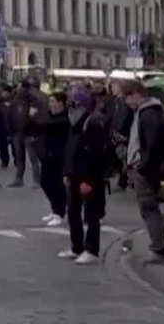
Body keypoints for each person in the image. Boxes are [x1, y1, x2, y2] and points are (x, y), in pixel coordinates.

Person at [122, 79, 164, 264]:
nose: (127, 102)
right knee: (150, 208)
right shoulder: (148, 112)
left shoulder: (148, 114)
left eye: (128, 96)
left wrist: (141, 167)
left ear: (137, 93)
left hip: (145, 169)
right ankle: (159, 246)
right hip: (146, 166)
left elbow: (151, 145)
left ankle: (159, 249)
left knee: (149, 208)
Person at [61, 87, 113, 264]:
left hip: (88, 175)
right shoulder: (74, 123)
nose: (70, 106)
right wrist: (67, 172)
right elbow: (69, 149)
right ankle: (77, 246)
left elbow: (94, 154)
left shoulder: (92, 123)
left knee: (91, 214)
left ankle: (92, 249)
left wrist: (88, 180)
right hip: (74, 173)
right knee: (73, 211)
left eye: (73, 102)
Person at [37, 91, 69, 228]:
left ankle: (59, 213)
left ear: (61, 103)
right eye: (50, 101)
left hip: (58, 155)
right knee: (45, 182)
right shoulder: (49, 117)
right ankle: (54, 208)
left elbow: (48, 126)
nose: (51, 104)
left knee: (56, 184)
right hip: (47, 154)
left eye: (53, 101)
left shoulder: (64, 119)